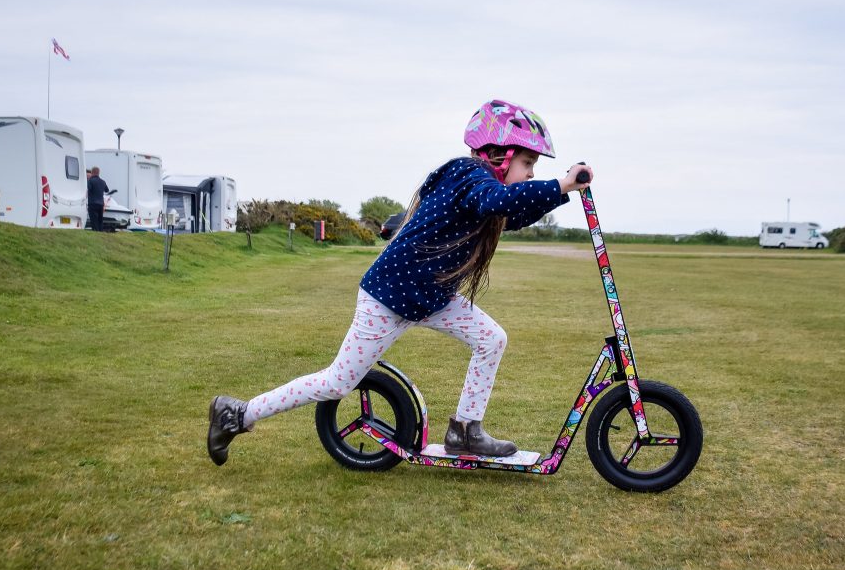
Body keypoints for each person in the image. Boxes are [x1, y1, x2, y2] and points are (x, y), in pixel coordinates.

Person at [207, 99, 592, 466]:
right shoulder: (467, 174)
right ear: (499, 154)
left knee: (491, 339)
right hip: (388, 297)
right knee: (339, 382)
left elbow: (513, 211)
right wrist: (561, 184)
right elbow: (499, 201)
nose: (530, 173)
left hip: (431, 297)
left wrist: (563, 191)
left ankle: (465, 430)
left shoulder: (484, 191)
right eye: (528, 163)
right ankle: (238, 413)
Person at [86, 167, 108, 231]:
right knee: (100, 219)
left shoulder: (90, 180)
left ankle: (95, 231)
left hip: (92, 203)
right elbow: (107, 190)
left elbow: (89, 189)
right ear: (98, 173)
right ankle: (100, 232)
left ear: (92, 172)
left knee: (93, 219)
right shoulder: (103, 181)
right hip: (101, 204)